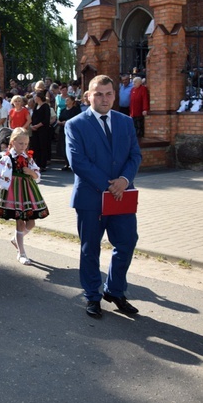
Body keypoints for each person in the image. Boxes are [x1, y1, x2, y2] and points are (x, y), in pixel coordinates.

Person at [65, 74, 142, 318]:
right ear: (88, 96)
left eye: (109, 93)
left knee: (127, 243)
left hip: (122, 196)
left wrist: (124, 181)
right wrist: (110, 186)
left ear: (115, 95)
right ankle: (92, 295)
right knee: (90, 248)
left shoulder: (125, 122)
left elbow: (135, 156)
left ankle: (115, 291)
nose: (104, 98)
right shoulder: (75, 124)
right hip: (91, 198)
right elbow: (78, 161)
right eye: (98, 94)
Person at [0, 128, 49, 265]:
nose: (23, 146)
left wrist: (30, 172)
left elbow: (37, 175)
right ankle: (21, 252)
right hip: (14, 191)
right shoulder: (7, 157)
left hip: (28, 191)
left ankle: (16, 239)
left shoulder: (28, 158)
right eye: (21, 143)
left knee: (31, 222)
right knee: (20, 220)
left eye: (26, 144)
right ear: (13, 142)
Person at [57, 95, 81, 170]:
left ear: (72, 101)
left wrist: (67, 122)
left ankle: (73, 163)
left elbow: (78, 118)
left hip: (72, 130)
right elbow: (59, 118)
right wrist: (59, 122)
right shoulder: (63, 110)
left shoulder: (76, 110)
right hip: (62, 130)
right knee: (63, 146)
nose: (66, 101)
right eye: (66, 99)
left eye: (68, 99)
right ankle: (66, 163)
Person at [29, 90, 51, 171]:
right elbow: (33, 117)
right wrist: (32, 126)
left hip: (43, 130)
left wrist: (37, 126)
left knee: (43, 146)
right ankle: (37, 164)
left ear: (39, 97)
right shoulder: (36, 106)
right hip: (35, 129)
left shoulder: (45, 106)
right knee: (36, 146)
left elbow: (46, 119)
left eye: (35, 97)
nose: (34, 99)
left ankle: (43, 165)